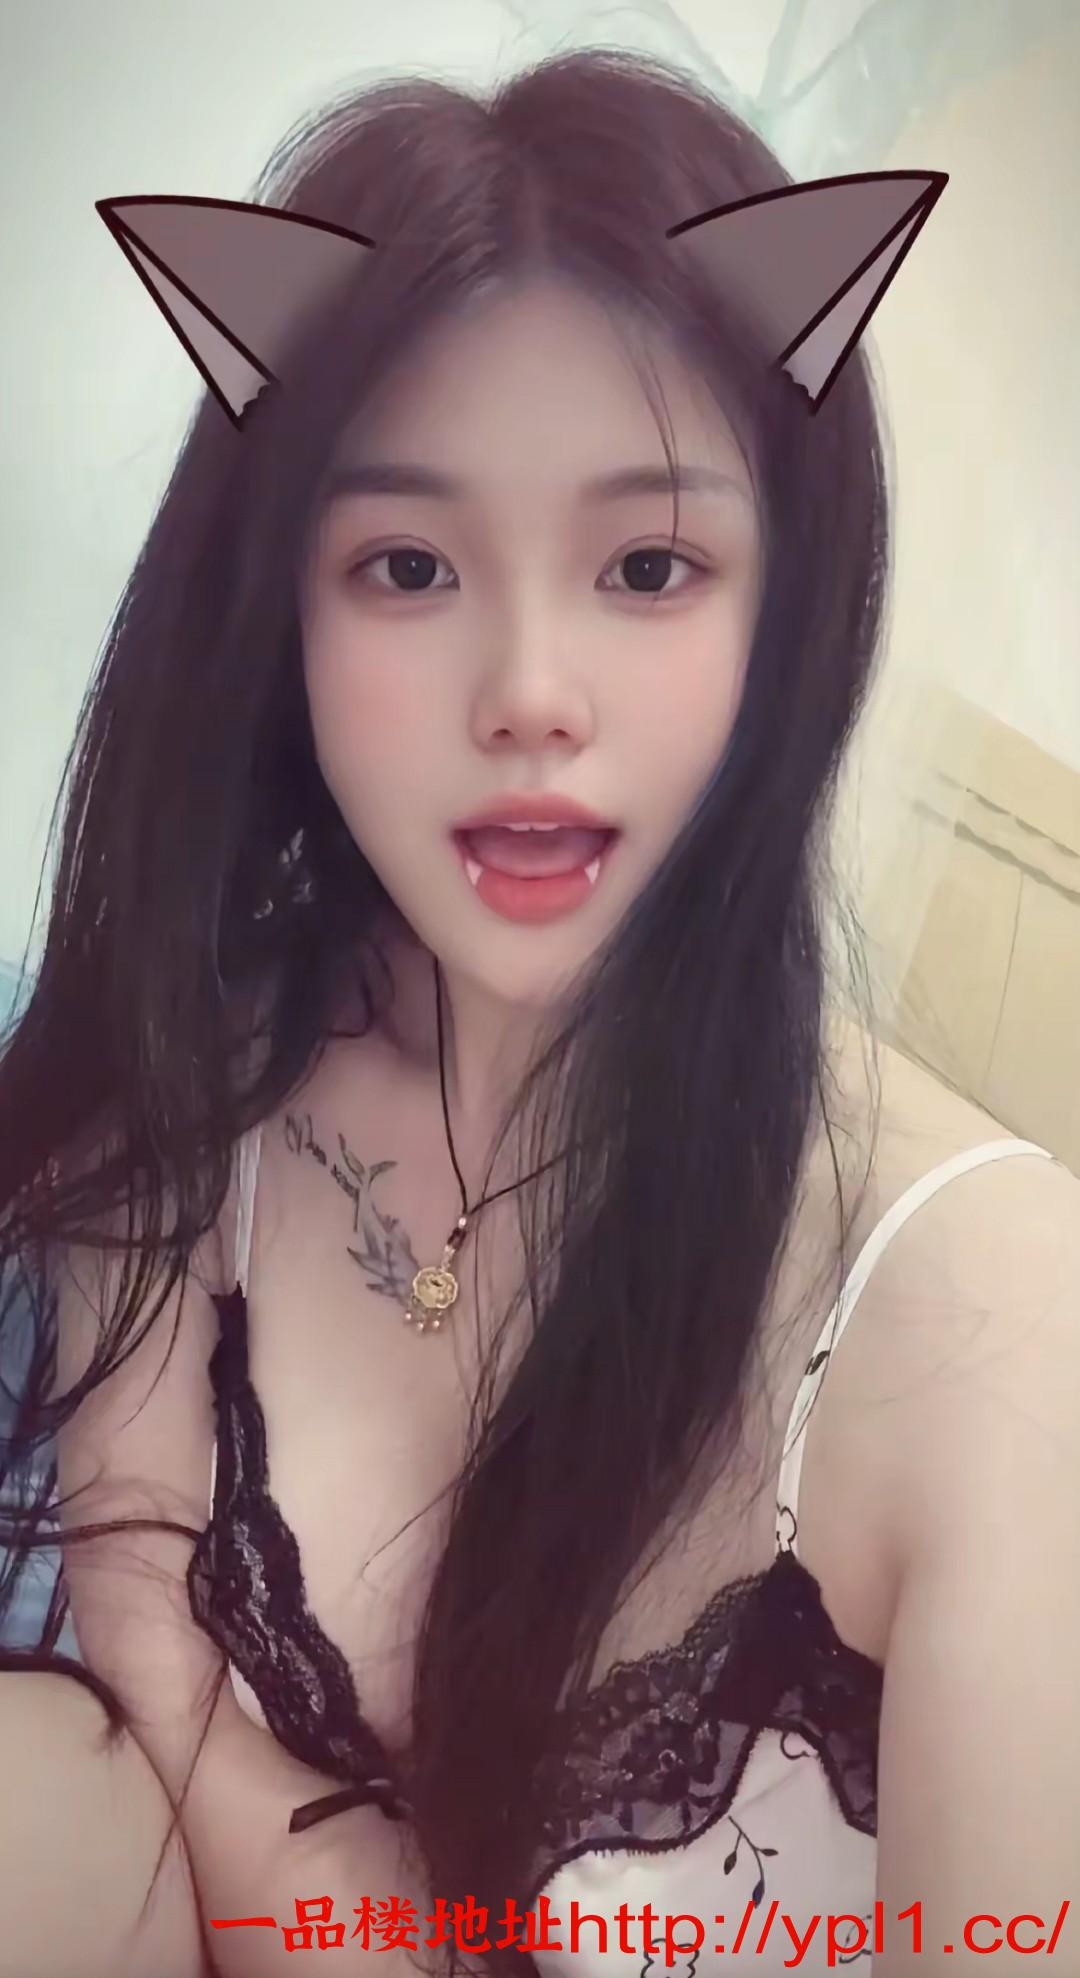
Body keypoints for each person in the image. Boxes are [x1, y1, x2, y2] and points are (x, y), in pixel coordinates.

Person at [0, 43, 1076, 1978]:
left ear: (783, 607)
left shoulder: (990, 1320)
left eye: (648, 564)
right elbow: (178, 1703)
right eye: (407, 565)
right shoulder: (189, 1090)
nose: (528, 694)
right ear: (278, 609)